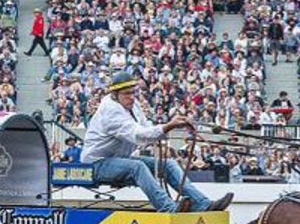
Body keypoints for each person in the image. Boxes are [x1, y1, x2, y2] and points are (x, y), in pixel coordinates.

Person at [81, 72, 232, 213]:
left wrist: (171, 127)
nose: (132, 97)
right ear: (114, 95)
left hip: (119, 158)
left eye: (133, 92)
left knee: (169, 164)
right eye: (127, 94)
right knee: (137, 166)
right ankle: (168, 207)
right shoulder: (110, 111)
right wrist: (169, 126)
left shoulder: (132, 106)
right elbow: (138, 135)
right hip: (97, 163)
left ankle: (203, 203)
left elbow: (147, 128)